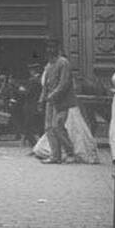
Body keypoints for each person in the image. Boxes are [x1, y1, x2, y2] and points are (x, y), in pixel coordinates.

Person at [37, 36, 76, 164]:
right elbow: (46, 85)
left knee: (57, 127)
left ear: (57, 48)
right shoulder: (49, 65)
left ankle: (70, 153)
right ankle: (55, 156)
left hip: (62, 101)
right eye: (48, 47)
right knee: (49, 128)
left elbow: (64, 83)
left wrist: (52, 95)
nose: (50, 49)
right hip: (50, 101)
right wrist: (41, 99)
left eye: (52, 47)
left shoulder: (63, 62)